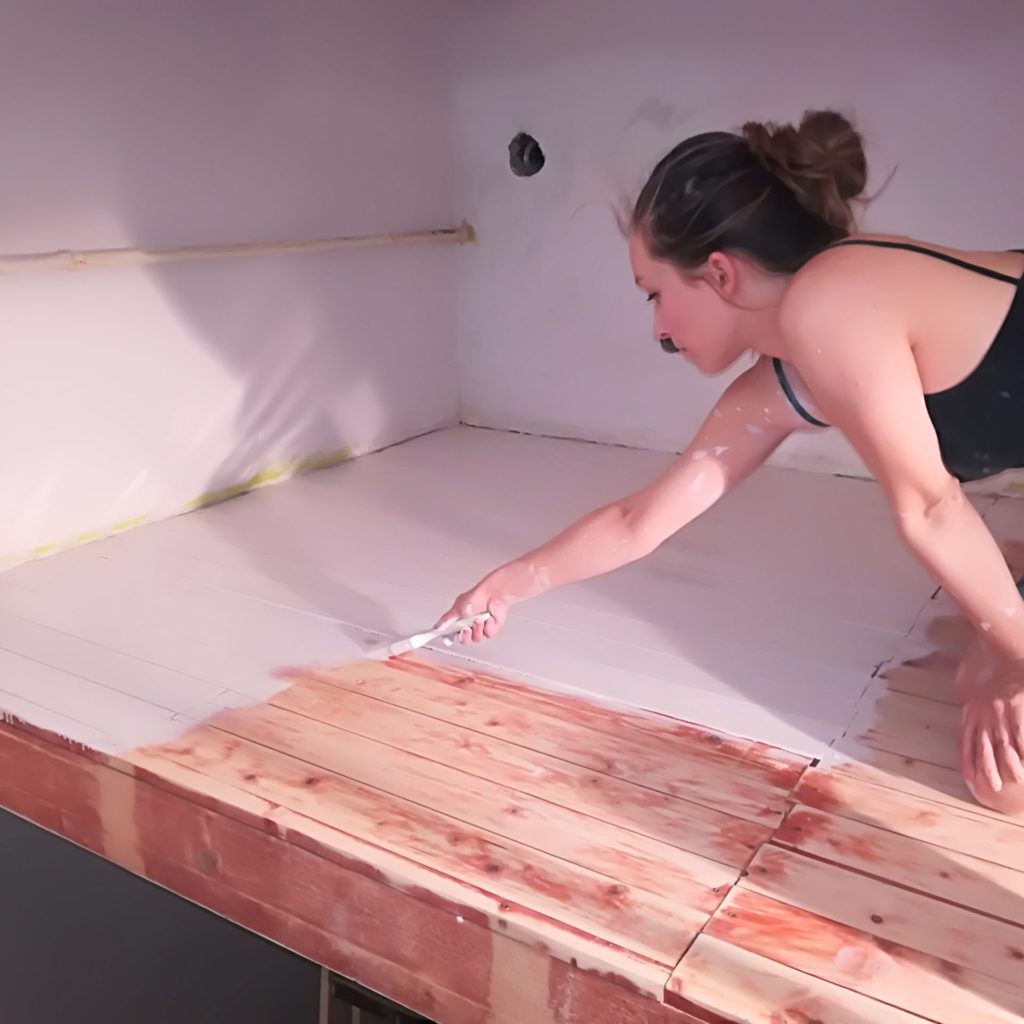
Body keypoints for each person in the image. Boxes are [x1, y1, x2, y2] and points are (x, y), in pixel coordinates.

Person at [435, 109, 1024, 815]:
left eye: (655, 294)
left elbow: (931, 507)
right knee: (993, 727)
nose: (657, 329)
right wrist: (506, 586)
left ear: (718, 272)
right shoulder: (794, 364)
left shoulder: (831, 303)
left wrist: (1016, 657)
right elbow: (639, 520)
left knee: (1009, 773)